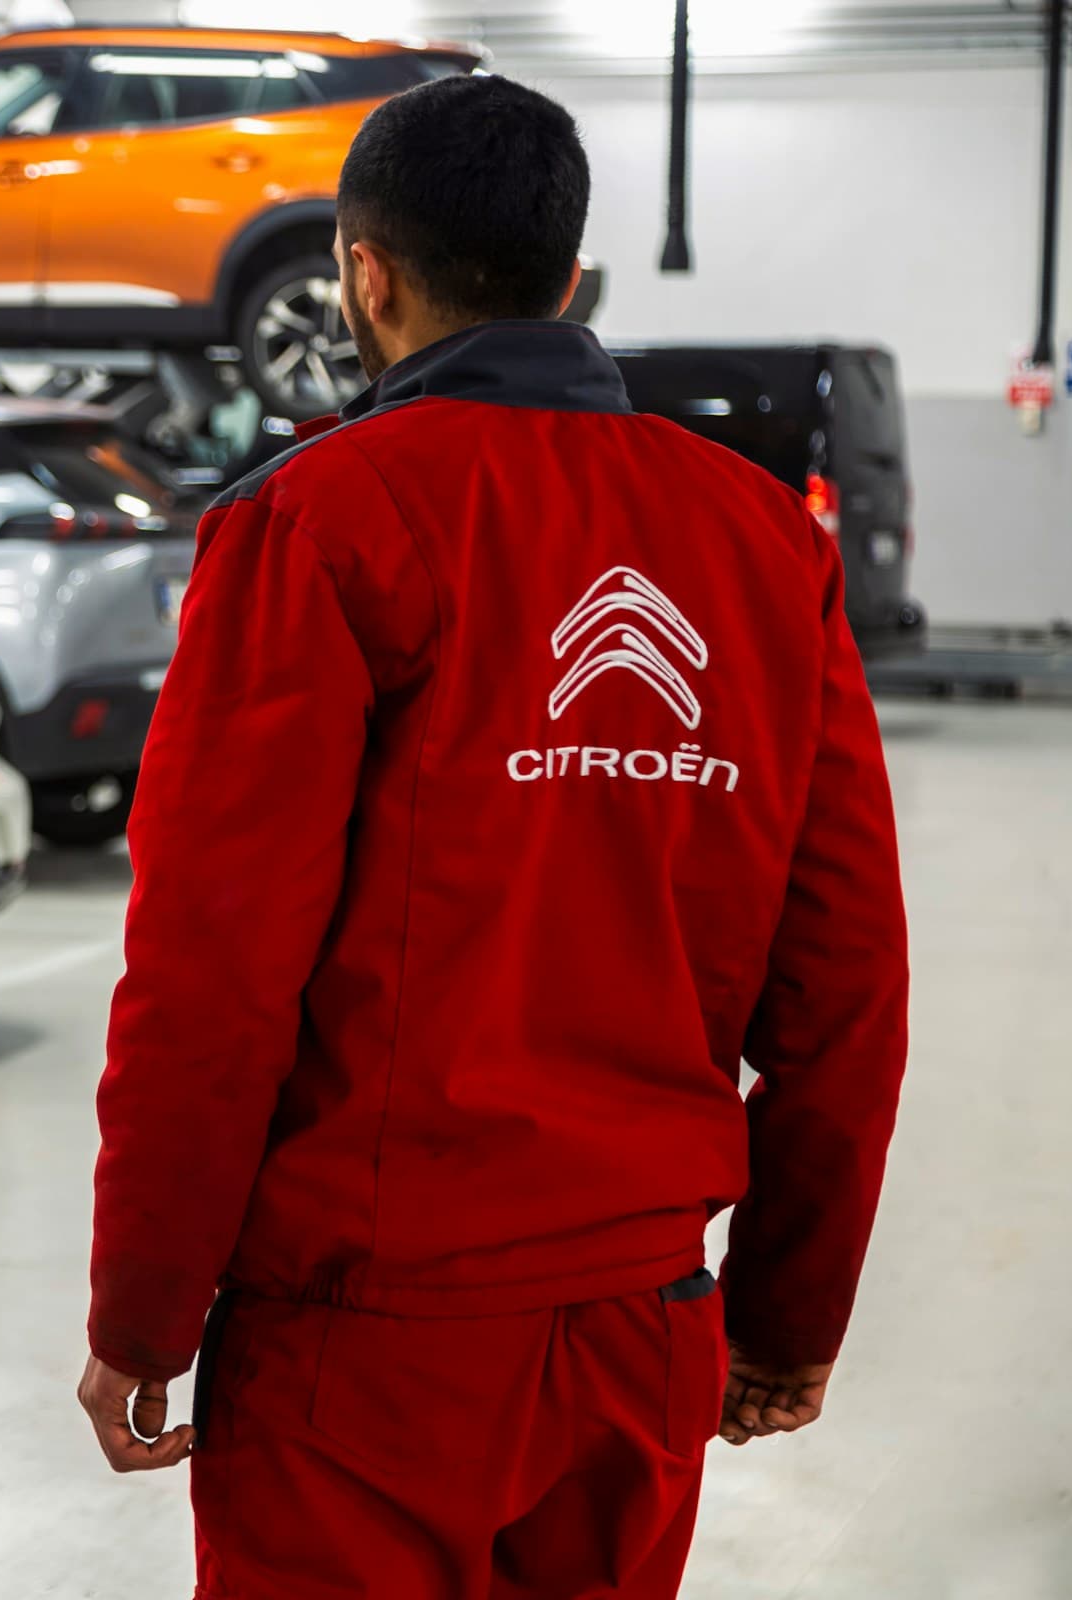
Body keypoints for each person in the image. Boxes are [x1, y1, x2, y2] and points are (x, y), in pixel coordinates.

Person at [77, 73, 910, 1599]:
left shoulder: (319, 523)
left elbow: (213, 968)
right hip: (640, 1331)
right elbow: (845, 975)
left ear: (363, 274)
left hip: (365, 1344)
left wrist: (144, 1308)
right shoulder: (758, 543)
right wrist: (788, 1316)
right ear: (570, 278)